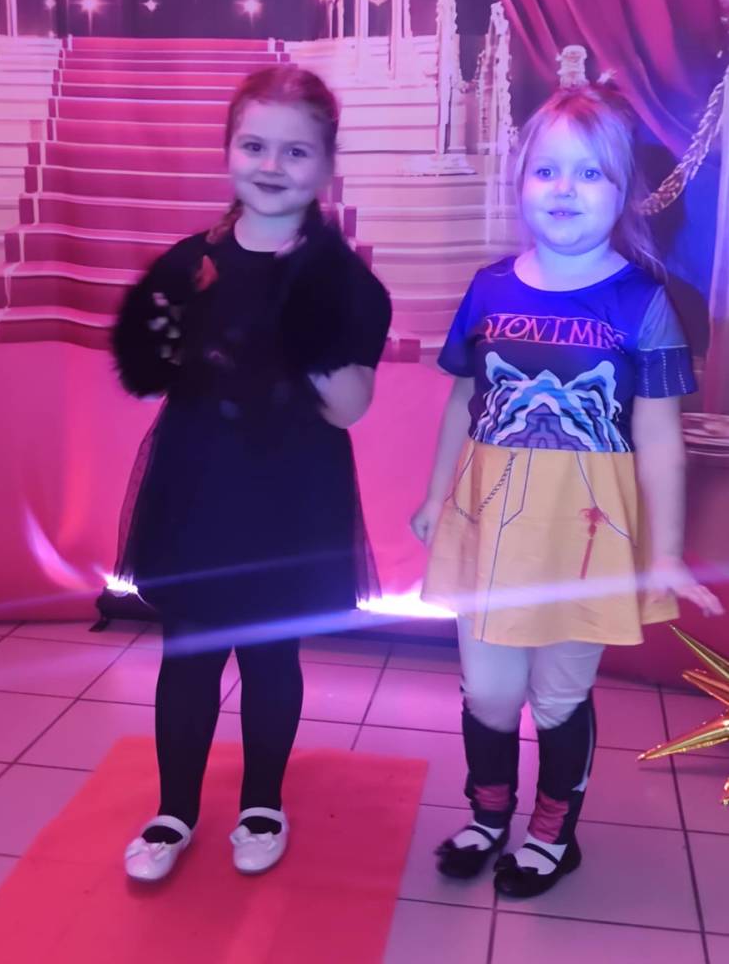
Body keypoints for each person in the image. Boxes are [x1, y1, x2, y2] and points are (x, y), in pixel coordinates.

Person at [411, 85, 724, 898]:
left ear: (623, 192)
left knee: (557, 698)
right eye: (546, 170)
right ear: (520, 182)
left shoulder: (643, 303)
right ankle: (488, 814)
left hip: (586, 537)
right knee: (489, 693)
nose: (564, 189)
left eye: (590, 173)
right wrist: (435, 496)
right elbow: (462, 399)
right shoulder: (489, 288)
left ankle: (553, 834)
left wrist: (663, 554)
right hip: (490, 529)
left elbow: (661, 439)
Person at [112, 66, 391, 882]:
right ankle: (174, 809)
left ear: (326, 164)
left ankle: (262, 802)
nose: (272, 166)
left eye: (296, 151)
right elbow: (151, 372)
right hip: (197, 483)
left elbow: (350, 407)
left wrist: (307, 327)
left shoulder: (343, 279)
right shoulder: (188, 262)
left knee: (271, 655)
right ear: (229, 150)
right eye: (255, 145)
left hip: (291, 494)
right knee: (189, 651)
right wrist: (159, 339)